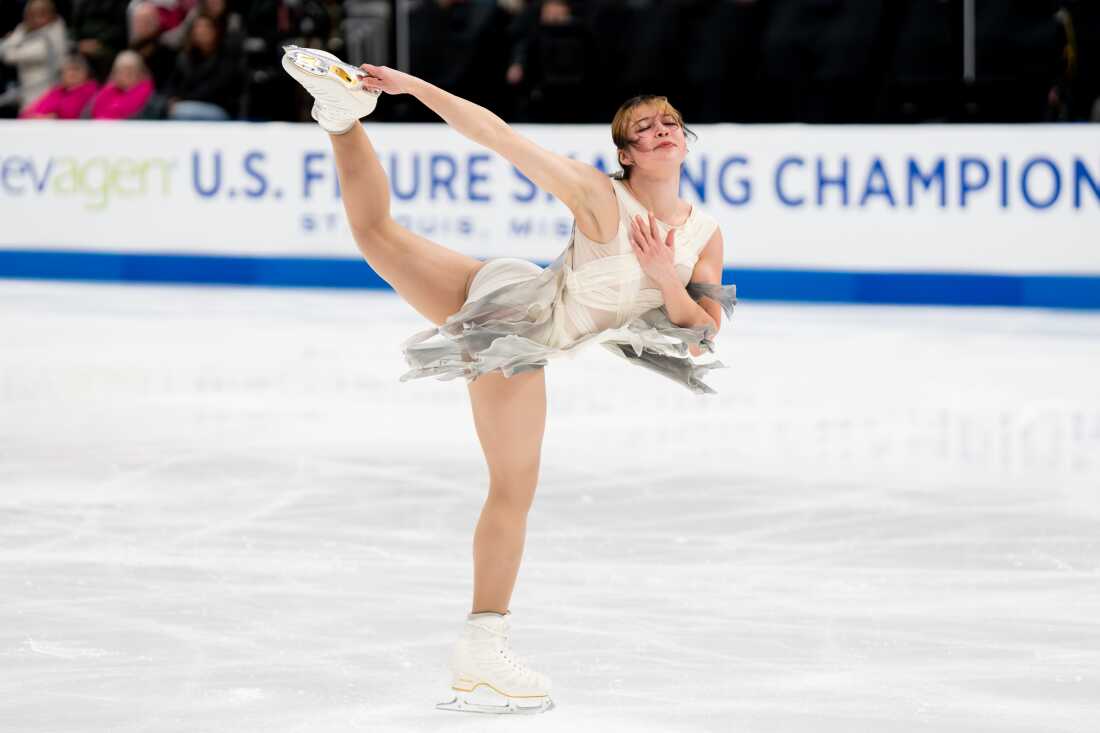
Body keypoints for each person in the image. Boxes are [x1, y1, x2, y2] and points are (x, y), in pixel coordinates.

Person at [280, 44, 736, 715]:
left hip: (522, 290)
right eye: (644, 126)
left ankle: (342, 121)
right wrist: (414, 86)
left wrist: (667, 276)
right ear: (627, 154)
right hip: (517, 323)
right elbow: (496, 134)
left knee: (376, 234)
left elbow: (702, 334)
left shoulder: (703, 233)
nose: (663, 128)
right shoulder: (598, 196)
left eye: (671, 121)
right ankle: (482, 647)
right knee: (514, 483)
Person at [164, 12, 239, 120]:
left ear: (215, 31)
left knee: (180, 111)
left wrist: (182, 99)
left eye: (206, 27)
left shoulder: (225, 58)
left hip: (217, 107)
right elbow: (172, 83)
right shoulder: (185, 57)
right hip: (185, 105)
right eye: (198, 27)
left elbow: (214, 89)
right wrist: (171, 98)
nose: (202, 31)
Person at [0, 0, 68, 116]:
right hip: (28, 93)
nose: (35, 19)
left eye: (41, 14)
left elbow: (8, 55)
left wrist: (18, 32)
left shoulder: (52, 37)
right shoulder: (36, 32)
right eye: (31, 14)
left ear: (52, 15)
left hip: (43, 95)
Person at [19, 53, 99, 118]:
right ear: (62, 73)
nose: (72, 73)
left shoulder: (89, 91)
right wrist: (36, 117)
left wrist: (52, 117)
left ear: (86, 73)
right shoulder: (57, 91)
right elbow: (26, 113)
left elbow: (69, 114)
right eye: (68, 69)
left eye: (77, 69)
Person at [88, 49, 154, 118]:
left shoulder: (151, 100)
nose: (125, 73)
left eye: (130, 69)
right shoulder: (102, 94)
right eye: (120, 69)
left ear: (141, 72)